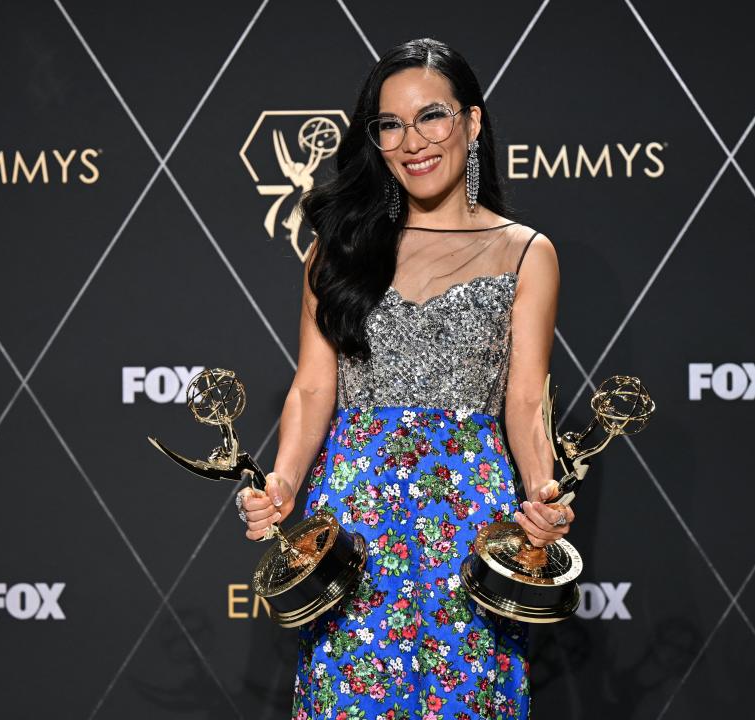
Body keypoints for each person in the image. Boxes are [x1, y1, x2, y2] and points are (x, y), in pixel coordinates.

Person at [237, 37, 575, 720]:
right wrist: (283, 484)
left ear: (472, 123)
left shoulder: (526, 253)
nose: (411, 141)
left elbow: (526, 397)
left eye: (432, 117)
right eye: (389, 124)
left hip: (471, 529)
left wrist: (544, 502)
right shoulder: (338, 248)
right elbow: (312, 387)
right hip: (355, 532)